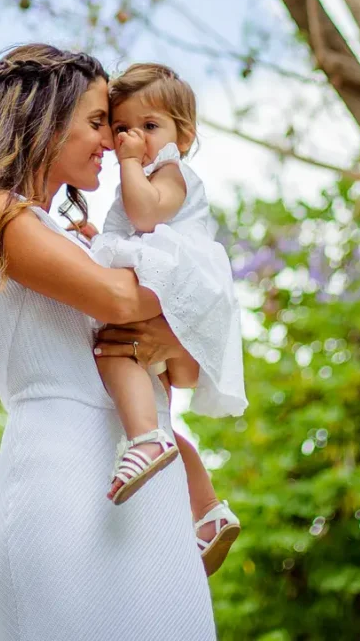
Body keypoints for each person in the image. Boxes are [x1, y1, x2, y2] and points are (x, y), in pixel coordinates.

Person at [0, 44, 215, 641]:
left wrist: (178, 324)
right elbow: (124, 303)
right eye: (98, 121)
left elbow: (183, 368)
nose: (112, 140)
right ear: (44, 120)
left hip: (143, 476)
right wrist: (204, 280)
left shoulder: (76, 239)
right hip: (64, 478)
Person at [83, 63, 247, 575]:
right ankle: (209, 512)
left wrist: (131, 163)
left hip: (176, 277)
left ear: (183, 135)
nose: (136, 139)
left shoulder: (171, 173)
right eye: (124, 128)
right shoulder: (145, 175)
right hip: (161, 278)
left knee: (113, 353)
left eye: (150, 127)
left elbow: (146, 218)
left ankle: (142, 439)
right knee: (162, 414)